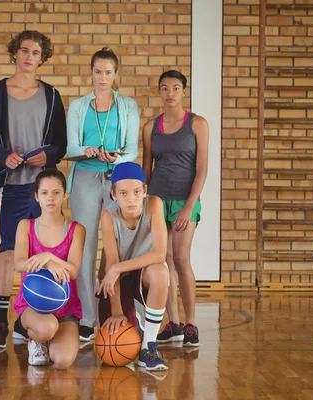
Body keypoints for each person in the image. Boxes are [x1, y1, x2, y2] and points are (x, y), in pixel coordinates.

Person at [0, 30, 67, 349]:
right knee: (7, 253)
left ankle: (35, 318)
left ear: (42, 59)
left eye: (36, 52)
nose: (29, 56)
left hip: (43, 190)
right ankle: (0, 322)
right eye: (24, 50)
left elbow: (61, 142)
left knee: (44, 254)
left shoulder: (53, 95)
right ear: (14, 53)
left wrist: (51, 156)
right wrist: (3, 155)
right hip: (12, 187)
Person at [66, 47, 140, 341]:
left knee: (116, 246)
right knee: (85, 246)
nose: (103, 77)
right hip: (84, 176)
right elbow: (70, 147)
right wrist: (85, 150)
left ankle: (115, 310)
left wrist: (116, 159)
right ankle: (86, 317)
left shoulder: (128, 106)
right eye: (98, 71)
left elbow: (132, 149)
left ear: (115, 75)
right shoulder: (78, 106)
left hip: (115, 179)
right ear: (91, 73)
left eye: (108, 72)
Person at [142, 70, 209, 347]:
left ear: (183, 91)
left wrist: (188, 207)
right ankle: (174, 322)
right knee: (163, 259)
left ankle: (191, 323)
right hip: (157, 199)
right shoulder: (149, 127)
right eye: (165, 88)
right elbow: (147, 167)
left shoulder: (198, 124)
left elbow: (202, 170)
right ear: (160, 92)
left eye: (175, 88)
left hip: (184, 200)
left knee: (181, 259)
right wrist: (141, 201)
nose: (170, 93)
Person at [97, 162, 169, 371]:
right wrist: (117, 311)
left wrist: (117, 268)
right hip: (116, 283)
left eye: (137, 192)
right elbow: (111, 265)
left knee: (160, 271)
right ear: (113, 194)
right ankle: (134, 320)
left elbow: (159, 253)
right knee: (119, 345)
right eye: (123, 193)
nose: (131, 198)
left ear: (145, 191)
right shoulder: (108, 216)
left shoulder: (155, 204)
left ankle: (149, 348)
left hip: (143, 274)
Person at [12, 169, 86, 368]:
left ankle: (49, 337)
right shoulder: (25, 226)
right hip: (32, 304)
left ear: (65, 195)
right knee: (46, 328)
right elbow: (18, 263)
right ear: (36, 196)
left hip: (65, 305)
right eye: (44, 193)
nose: (50, 198)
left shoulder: (76, 230)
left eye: (56, 192)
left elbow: (73, 271)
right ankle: (36, 338)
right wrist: (47, 263)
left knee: (62, 361)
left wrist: (50, 255)